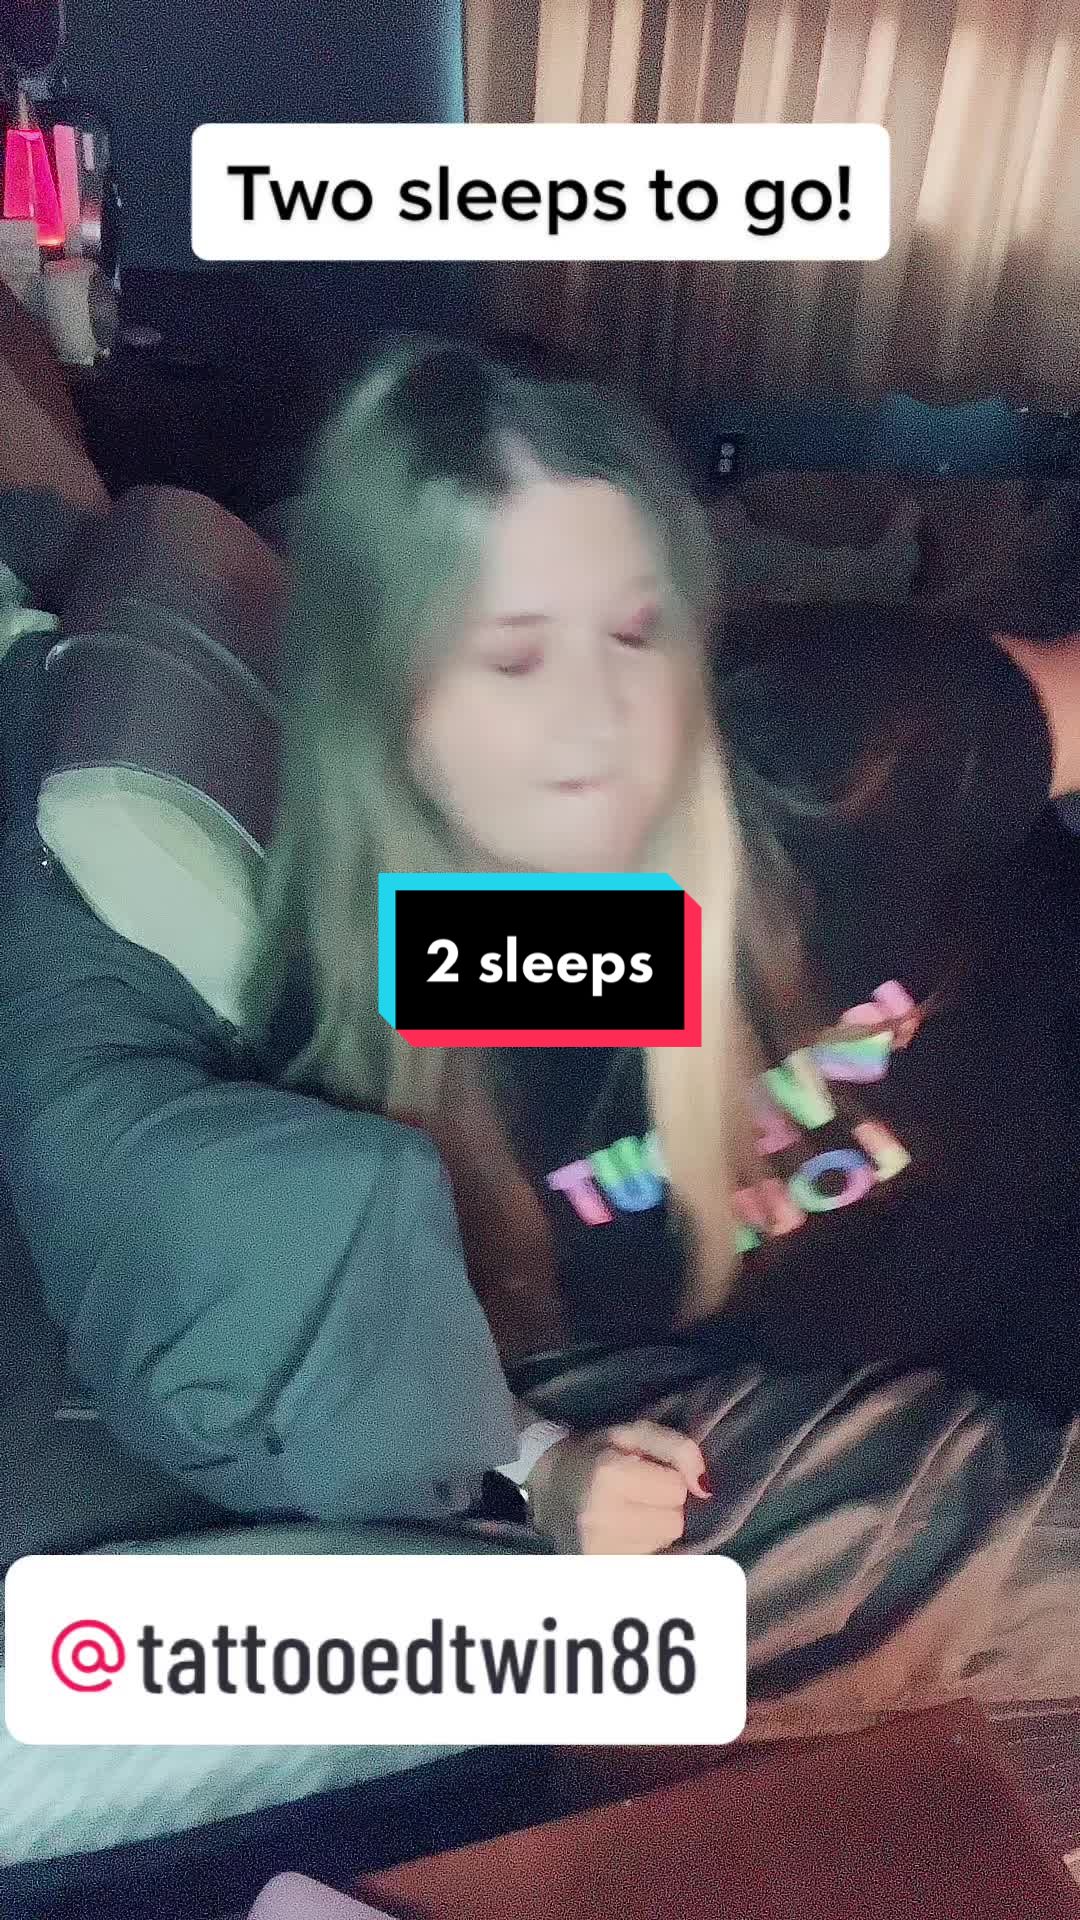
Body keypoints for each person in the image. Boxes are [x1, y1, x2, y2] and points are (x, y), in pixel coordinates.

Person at [2, 336, 1079, 1590]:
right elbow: (378, 1330)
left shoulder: (826, 745)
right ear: (388, 699)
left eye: (635, 631)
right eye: (514, 655)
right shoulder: (391, 1015)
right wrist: (544, 1464)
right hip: (957, 1344)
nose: (602, 717)